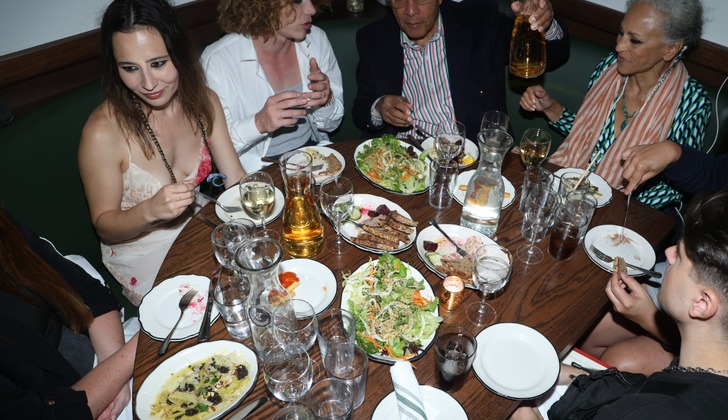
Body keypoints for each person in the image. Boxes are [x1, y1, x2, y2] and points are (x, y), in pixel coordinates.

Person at [513, 190, 728, 419]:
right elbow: (648, 387)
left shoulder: (646, 413)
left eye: (681, 256)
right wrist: (556, 373)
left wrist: (518, 405)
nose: (669, 253)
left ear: (702, 303)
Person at [580, 138, 728, 375]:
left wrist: (649, 319)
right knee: (592, 327)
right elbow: (717, 174)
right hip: (694, 279)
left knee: (621, 361)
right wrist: (674, 152)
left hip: (726, 347)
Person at [79, 0, 246, 306]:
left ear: (179, 53)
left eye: (158, 63)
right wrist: (150, 210)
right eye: (130, 68)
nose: (148, 83)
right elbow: (105, 226)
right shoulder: (102, 132)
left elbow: (235, 179)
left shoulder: (204, 101)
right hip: (146, 250)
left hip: (201, 225)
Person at [521, 0, 709, 210]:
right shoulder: (609, 68)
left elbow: (675, 186)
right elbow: (589, 136)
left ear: (670, 49)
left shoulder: (693, 101)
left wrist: (609, 206)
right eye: (621, 33)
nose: (619, 46)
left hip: (632, 209)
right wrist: (551, 108)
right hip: (574, 191)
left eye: (635, 41)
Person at [352, 0, 570, 141]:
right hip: (405, 158)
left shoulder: (479, 22)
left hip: (474, 158)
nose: (410, 11)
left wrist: (544, 24)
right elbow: (361, 109)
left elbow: (553, 55)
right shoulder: (372, 39)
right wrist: (379, 107)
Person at [0, 211, 138, 419]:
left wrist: (116, 375)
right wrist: (132, 353)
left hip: (104, 352)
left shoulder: (4, 228)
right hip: (74, 402)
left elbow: (89, 293)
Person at [201, 0, 344, 172]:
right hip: (258, 173)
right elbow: (211, 151)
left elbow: (331, 125)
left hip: (315, 159)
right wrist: (258, 124)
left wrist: (326, 100)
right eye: (296, 1)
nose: (311, 9)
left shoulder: (316, 39)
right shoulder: (217, 61)